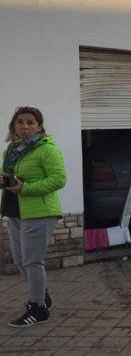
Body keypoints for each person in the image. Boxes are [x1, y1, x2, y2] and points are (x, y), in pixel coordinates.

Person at [2, 106, 65, 327]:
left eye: (30, 122)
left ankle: (38, 308)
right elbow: (12, 179)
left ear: (39, 126)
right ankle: (42, 296)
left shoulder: (46, 149)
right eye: (20, 122)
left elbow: (59, 179)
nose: (25, 127)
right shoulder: (11, 150)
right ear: (14, 125)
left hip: (39, 212)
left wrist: (25, 188)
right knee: (21, 261)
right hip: (15, 212)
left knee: (32, 261)